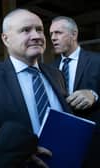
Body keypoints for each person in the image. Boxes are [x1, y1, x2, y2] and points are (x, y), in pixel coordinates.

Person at [0, 9, 73, 168]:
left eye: (39, 29)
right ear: (6, 39)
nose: (37, 36)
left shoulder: (56, 75)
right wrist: (16, 149)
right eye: (26, 30)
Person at [49, 16, 100, 167]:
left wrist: (95, 95)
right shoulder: (50, 68)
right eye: (51, 34)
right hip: (62, 138)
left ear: (74, 34)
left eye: (58, 33)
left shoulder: (97, 61)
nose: (53, 38)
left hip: (94, 140)